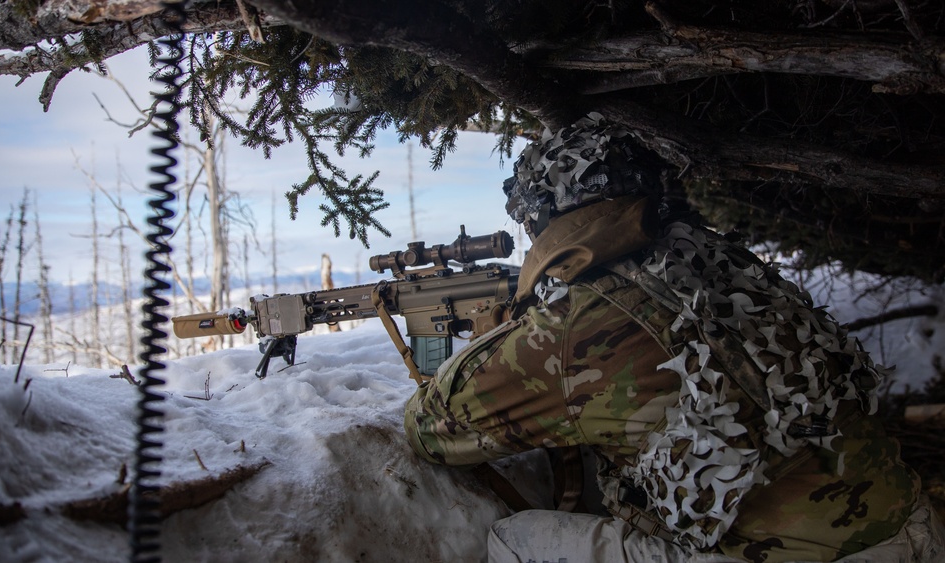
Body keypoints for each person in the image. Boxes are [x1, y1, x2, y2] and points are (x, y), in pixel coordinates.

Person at [403, 114, 944, 562]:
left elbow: (430, 429)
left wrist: (509, 331)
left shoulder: (577, 325)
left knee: (511, 541)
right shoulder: (723, 266)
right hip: (912, 527)